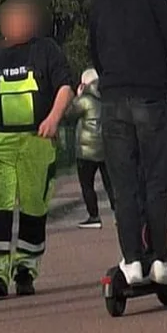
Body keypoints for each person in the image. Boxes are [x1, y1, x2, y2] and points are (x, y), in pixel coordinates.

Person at [89, 0, 167, 287]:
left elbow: (94, 50)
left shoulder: (99, 2)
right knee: (155, 181)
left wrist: (110, 80)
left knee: (124, 184)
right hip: (150, 99)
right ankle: (161, 260)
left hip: (113, 101)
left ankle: (132, 261)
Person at [0, 0, 74, 298]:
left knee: (34, 207)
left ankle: (26, 269)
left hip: (37, 141)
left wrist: (54, 118)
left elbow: (65, 86)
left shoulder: (47, 50)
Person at [66, 67, 116, 229]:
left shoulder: (84, 99)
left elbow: (68, 114)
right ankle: (119, 213)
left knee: (87, 184)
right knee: (111, 184)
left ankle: (94, 216)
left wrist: (77, 96)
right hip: (106, 146)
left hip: (86, 149)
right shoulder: (107, 95)